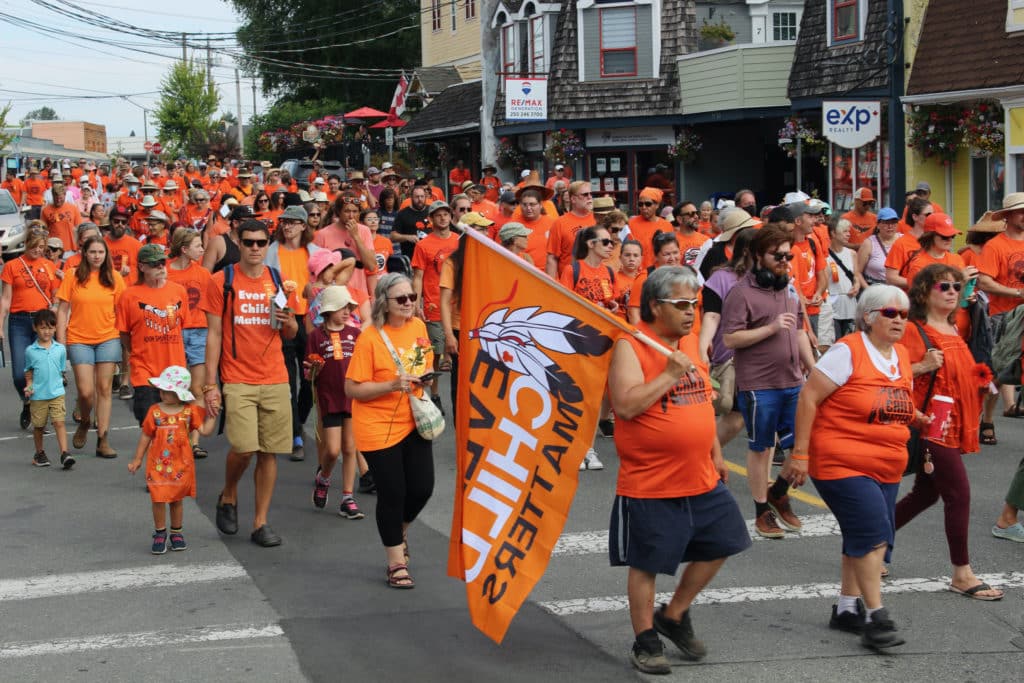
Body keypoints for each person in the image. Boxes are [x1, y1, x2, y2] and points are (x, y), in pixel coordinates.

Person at [607, 266, 750, 674]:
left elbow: (703, 399)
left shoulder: (690, 342)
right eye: (682, 305)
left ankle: (674, 614)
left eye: (695, 304)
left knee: (726, 539)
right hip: (651, 479)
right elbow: (628, 405)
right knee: (648, 561)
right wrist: (670, 373)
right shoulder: (631, 346)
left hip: (700, 472)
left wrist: (716, 453)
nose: (691, 313)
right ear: (655, 306)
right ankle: (645, 640)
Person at [781, 284, 919, 652]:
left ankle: (846, 609)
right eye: (891, 313)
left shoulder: (901, 355)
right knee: (873, 533)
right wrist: (800, 454)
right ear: (869, 317)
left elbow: (895, 403)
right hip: (841, 460)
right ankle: (876, 616)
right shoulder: (848, 350)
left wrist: (922, 422)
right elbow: (809, 397)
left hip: (887, 463)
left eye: (904, 315)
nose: (899, 321)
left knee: (860, 535)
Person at [894, 265, 1002, 600]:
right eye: (945, 285)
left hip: (953, 423)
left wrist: (982, 381)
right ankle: (962, 573)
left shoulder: (956, 327)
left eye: (958, 285)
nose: (953, 291)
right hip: (931, 423)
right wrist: (922, 365)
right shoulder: (914, 329)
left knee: (926, 493)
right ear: (925, 291)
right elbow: (891, 372)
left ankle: (869, 538)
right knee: (959, 494)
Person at [203, 220, 298, 548]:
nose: (255, 248)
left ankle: (260, 523)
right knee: (244, 448)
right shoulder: (222, 281)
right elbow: (213, 335)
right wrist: (209, 385)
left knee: (269, 453)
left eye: (260, 243)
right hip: (237, 377)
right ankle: (228, 494)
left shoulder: (279, 281)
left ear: (267, 244)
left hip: (275, 376)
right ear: (238, 243)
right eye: (249, 242)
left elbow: (291, 332)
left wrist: (290, 323)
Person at [722, 224, 816, 538]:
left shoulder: (789, 288)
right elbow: (731, 338)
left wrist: (812, 367)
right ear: (758, 255)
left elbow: (799, 330)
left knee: (803, 446)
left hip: (793, 380)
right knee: (762, 448)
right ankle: (762, 510)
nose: (785, 260)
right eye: (778, 255)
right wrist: (771, 328)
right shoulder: (741, 292)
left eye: (789, 255)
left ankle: (779, 490)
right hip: (758, 385)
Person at [345, 273, 435, 589]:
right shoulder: (370, 338)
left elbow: (425, 365)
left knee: (423, 488)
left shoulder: (420, 327)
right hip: (377, 424)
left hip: (414, 418)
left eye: (412, 297)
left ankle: (400, 529)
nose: (409, 303)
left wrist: (425, 378)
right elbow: (352, 388)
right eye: (402, 299)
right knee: (393, 492)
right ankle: (396, 563)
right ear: (386, 302)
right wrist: (390, 384)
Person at [127, 366, 217, 554]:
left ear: (179, 395)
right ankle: (160, 531)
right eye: (162, 390)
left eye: (167, 391)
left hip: (180, 465)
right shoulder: (154, 411)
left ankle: (177, 531)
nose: (162, 393)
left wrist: (213, 416)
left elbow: (205, 431)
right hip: (157, 464)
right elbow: (145, 436)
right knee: (158, 498)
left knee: (176, 499)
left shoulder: (189, 411)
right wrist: (137, 459)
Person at [56, 235, 125, 458]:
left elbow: (123, 311)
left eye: (101, 252)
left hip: (108, 337)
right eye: (93, 252)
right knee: (86, 392)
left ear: (106, 255)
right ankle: (85, 421)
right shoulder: (72, 276)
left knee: (104, 389)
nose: (97, 256)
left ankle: (103, 439)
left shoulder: (114, 278)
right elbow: (63, 311)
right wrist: (60, 344)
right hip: (79, 338)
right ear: (85, 253)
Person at [561, 224, 621, 470]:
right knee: (578, 395)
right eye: (606, 242)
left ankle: (587, 446)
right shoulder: (572, 269)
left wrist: (612, 307)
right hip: (577, 340)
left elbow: (612, 301)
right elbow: (563, 303)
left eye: (611, 243)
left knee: (595, 397)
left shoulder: (609, 272)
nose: (611, 246)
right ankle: (576, 448)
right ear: (591, 244)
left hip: (602, 340)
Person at [264, 204, 320, 457]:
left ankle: (296, 417)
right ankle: (296, 434)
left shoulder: (315, 252)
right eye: (284, 221)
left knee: (310, 377)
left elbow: (330, 277)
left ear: (303, 226)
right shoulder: (270, 252)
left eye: (293, 222)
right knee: (289, 377)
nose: (287, 226)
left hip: (309, 319)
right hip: (284, 317)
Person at [306, 285, 364, 520]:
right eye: (341, 307)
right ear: (328, 310)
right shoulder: (316, 337)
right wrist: (314, 370)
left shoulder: (355, 334)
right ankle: (324, 478)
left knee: (350, 448)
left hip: (352, 397)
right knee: (332, 450)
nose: (346, 311)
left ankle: (347, 498)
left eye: (349, 307)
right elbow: (308, 373)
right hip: (329, 397)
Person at [699, 227, 757, 449]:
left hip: (765, 358)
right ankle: (702, 453)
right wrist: (702, 349)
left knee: (758, 420)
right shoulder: (721, 278)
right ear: (747, 252)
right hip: (732, 355)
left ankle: (762, 480)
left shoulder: (771, 278)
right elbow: (712, 316)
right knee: (734, 416)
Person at [116, 244, 188, 424]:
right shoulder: (128, 296)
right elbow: (124, 333)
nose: (161, 267)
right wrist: (138, 350)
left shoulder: (179, 291)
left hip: (174, 370)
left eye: (162, 262)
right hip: (144, 370)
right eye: (154, 264)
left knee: (174, 428)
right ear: (142, 267)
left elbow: (183, 327)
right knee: (150, 424)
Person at [0, 229, 60, 429]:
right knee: (19, 373)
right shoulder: (12, 266)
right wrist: (0, 325)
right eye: (34, 245)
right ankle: (27, 401)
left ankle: (39, 407)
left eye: (42, 247)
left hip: (43, 320)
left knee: (43, 369)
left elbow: (56, 294)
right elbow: (6, 298)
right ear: (26, 243)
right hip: (19, 320)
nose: (37, 250)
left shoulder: (48, 265)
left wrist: (56, 309)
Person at [976, 192, 1024, 418]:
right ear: (1008, 216)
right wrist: (1018, 292)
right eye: (1020, 212)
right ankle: (986, 418)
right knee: (998, 370)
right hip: (1004, 316)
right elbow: (984, 282)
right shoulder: (995, 246)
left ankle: (1011, 406)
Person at [166, 228, 213, 458]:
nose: (202, 249)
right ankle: (176, 435)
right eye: (198, 246)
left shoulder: (203, 273)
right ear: (184, 249)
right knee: (175, 388)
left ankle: (194, 440)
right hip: (173, 333)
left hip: (198, 332)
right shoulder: (165, 273)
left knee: (197, 388)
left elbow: (211, 305)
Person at [411, 200, 460, 413]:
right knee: (436, 354)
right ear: (431, 219)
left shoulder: (459, 241)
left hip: (458, 306)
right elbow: (418, 276)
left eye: (446, 214)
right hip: (433, 305)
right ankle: (436, 394)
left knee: (457, 356)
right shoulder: (423, 245)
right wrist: (416, 302)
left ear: (451, 217)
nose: (442, 218)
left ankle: (457, 395)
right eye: (438, 215)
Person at [24, 309, 73, 469]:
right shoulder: (30, 351)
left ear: (55, 328)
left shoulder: (60, 349)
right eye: (43, 327)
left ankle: (65, 453)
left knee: (59, 422)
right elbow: (29, 372)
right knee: (39, 426)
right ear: (35, 328)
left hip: (57, 393)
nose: (47, 331)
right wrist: (29, 386)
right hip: (38, 396)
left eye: (51, 328)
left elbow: (61, 370)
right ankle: (39, 453)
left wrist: (62, 380)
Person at [826, 217, 866, 341]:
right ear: (833, 233)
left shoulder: (852, 253)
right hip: (832, 303)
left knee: (849, 340)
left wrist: (857, 285)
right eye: (844, 231)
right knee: (835, 340)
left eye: (848, 231)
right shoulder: (824, 255)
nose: (848, 234)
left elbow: (856, 275)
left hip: (849, 302)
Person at [546, 181, 595, 278]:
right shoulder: (559, 223)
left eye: (590, 194)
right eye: (585, 194)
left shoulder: (598, 219)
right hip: (569, 282)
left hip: (595, 280)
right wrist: (551, 287)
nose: (589, 197)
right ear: (573, 199)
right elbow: (552, 258)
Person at [628, 188, 672, 269]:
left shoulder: (667, 225)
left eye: (648, 204)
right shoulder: (631, 224)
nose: (644, 207)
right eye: (640, 204)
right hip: (636, 272)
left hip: (658, 272)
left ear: (657, 205)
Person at [857, 207, 901, 285]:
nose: (890, 226)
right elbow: (857, 272)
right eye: (886, 223)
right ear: (878, 225)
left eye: (894, 222)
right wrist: (868, 289)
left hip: (900, 290)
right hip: (876, 289)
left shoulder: (904, 240)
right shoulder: (869, 243)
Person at [41, 182, 82, 255]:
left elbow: (79, 228)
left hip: (70, 248)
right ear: (52, 196)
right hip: (53, 249)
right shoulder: (46, 210)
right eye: (56, 198)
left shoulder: (73, 208)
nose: (58, 201)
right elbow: (43, 231)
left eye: (61, 198)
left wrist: (79, 246)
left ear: (65, 195)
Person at [392, 185, 430, 258]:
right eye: (417, 197)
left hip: (431, 255)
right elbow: (393, 236)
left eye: (422, 196)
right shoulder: (402, 214)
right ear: (411, 198)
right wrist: (407, 237)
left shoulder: (432, 211)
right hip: (411, 256)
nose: (420, 199)